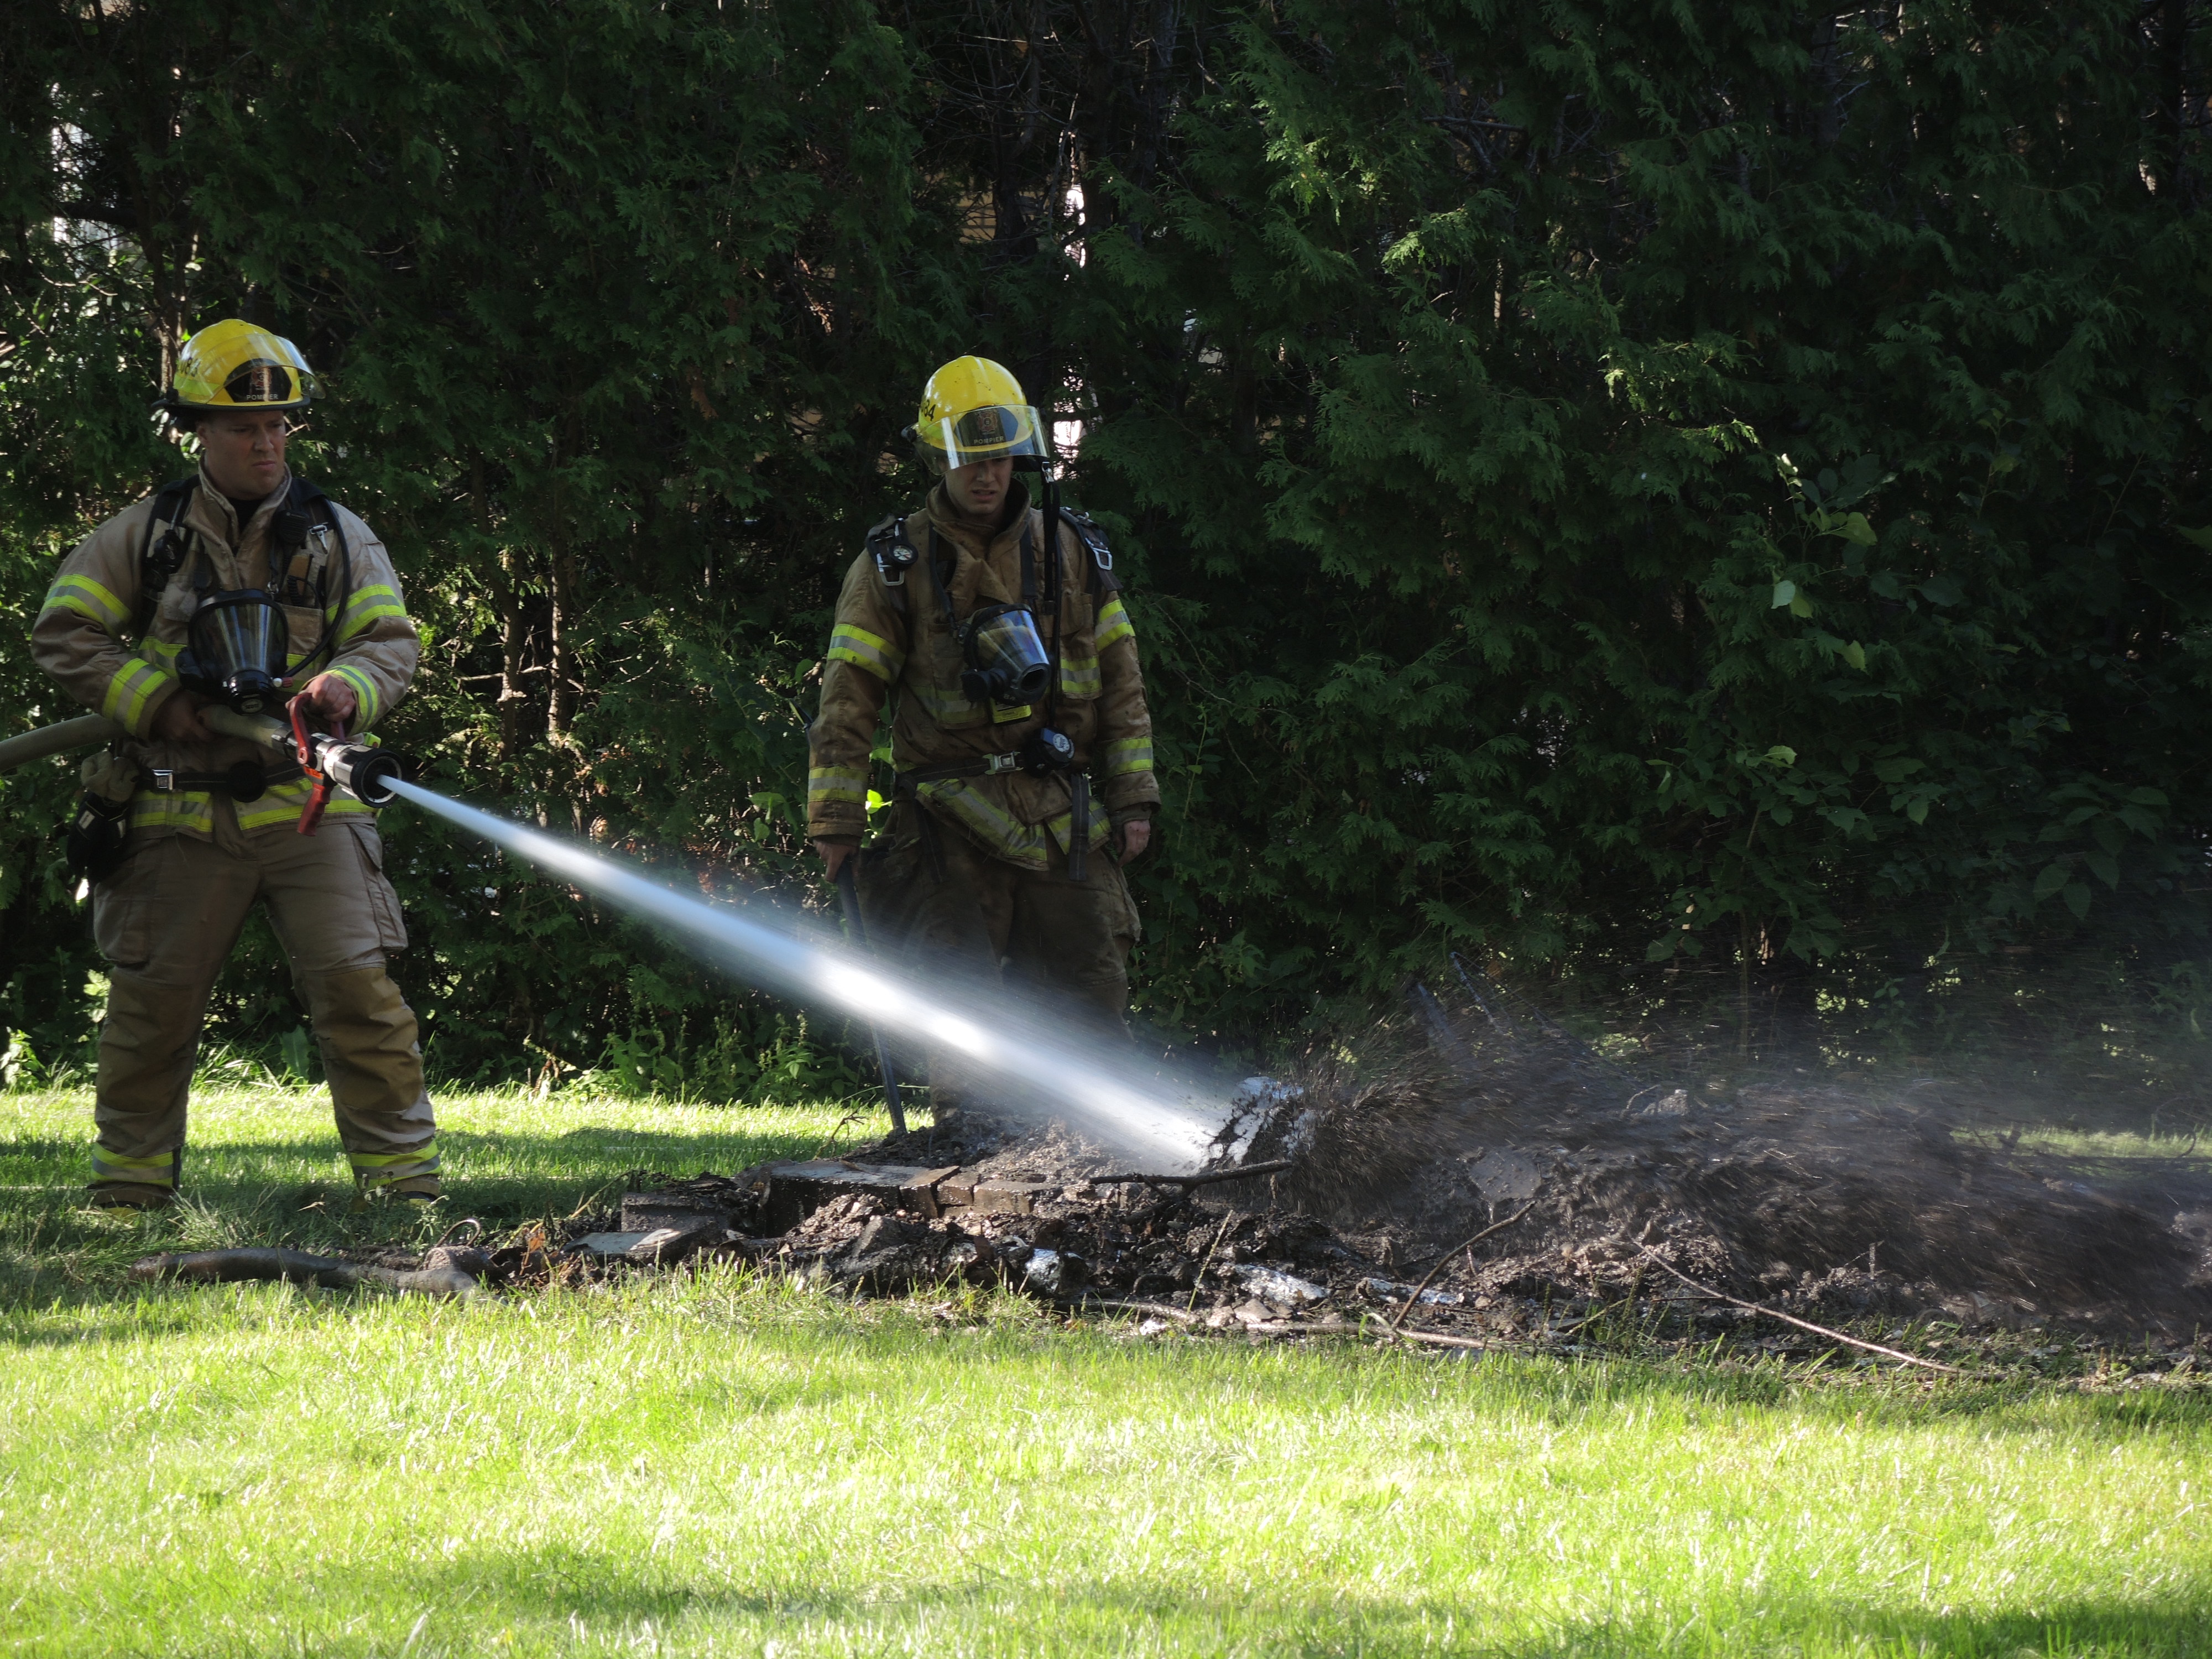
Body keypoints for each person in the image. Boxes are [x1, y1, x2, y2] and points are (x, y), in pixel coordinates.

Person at [30, 320, 440, 1209]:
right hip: (178, 809)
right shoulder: (149, 535)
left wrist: (342, 690)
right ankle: (130, 1191)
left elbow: (390, 643)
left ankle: (404, 1190)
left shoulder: (337, 535)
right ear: (202, 432)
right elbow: (65, 632)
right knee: (153, 1009)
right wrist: (156, 701)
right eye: (246, 428)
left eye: (280, 426)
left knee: (359, 996)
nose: (268, 442)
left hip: (308, 805)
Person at [807, 356, 1160, 1126]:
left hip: (1057, 811)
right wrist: (835, 822)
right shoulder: (893, 567)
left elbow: (1121, 685)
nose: (988, 477)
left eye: (999, 459)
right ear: (940, 458)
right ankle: (967, 1155)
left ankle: (1112, 1153)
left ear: (1019, 457)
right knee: (961, 1003)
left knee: (1093, 987)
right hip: (948, 819)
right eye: (972, 461)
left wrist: (1133, 797)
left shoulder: (1071, 550)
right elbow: (849, 696)